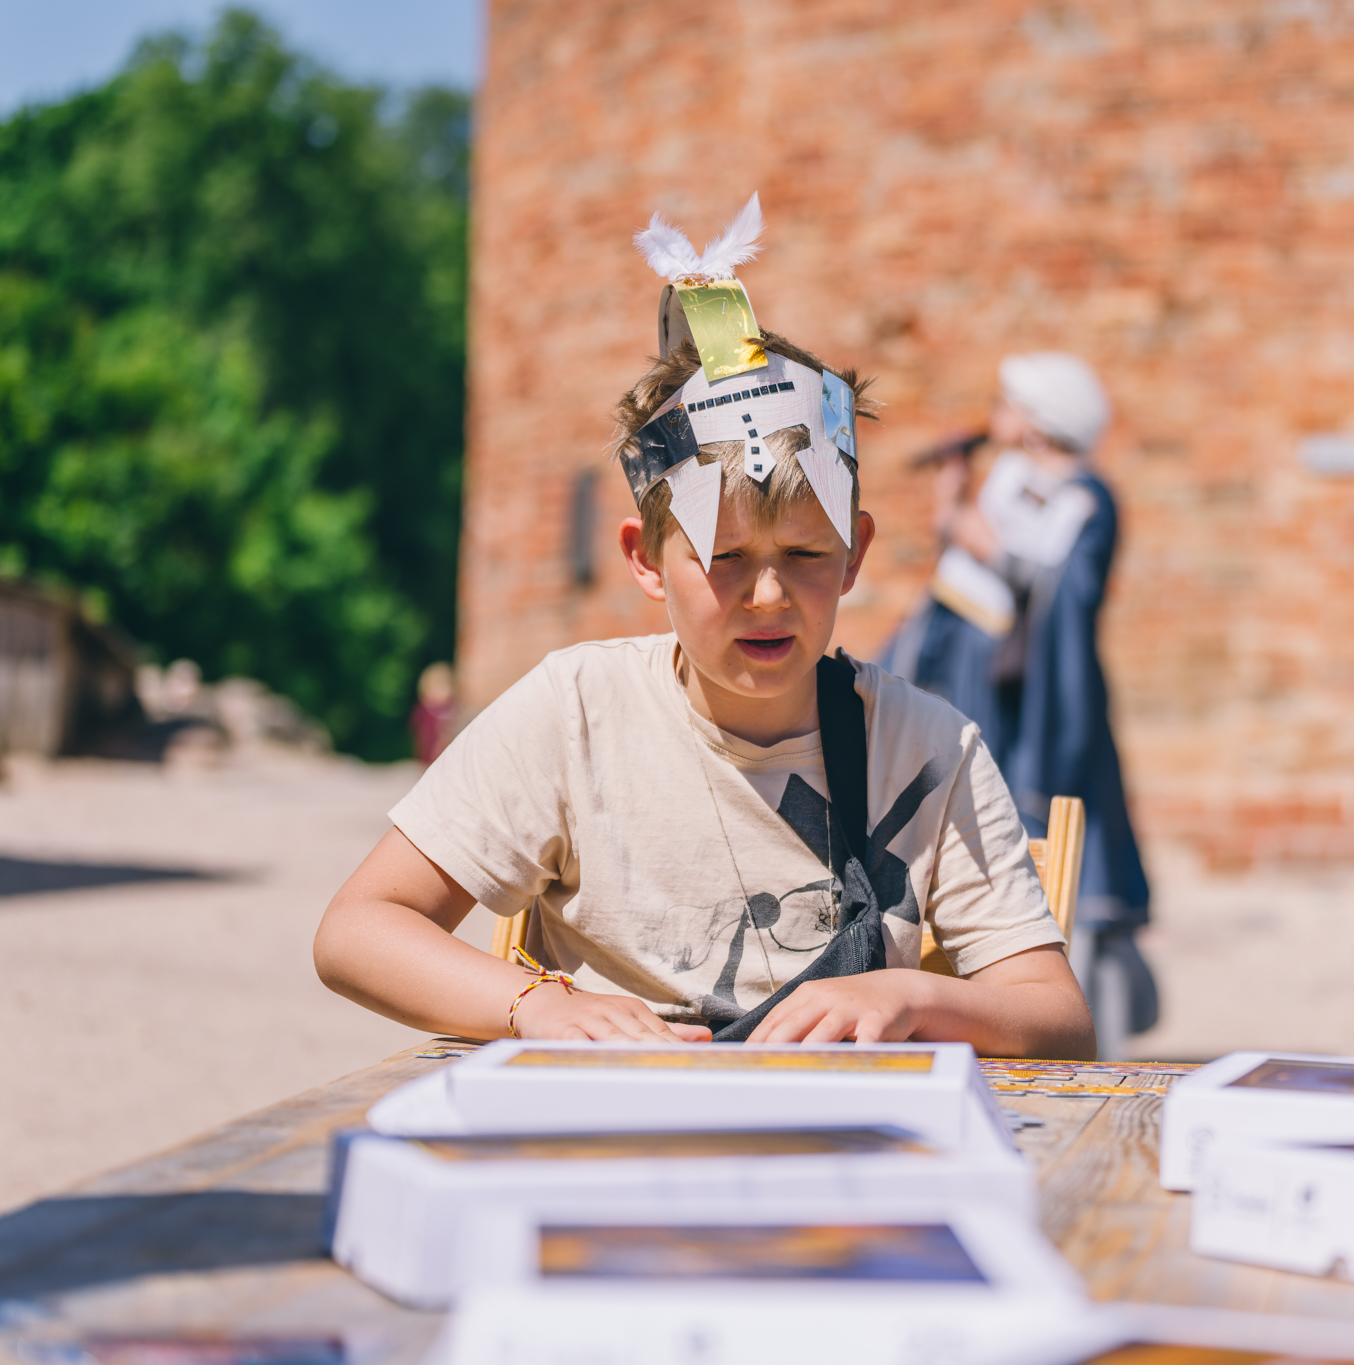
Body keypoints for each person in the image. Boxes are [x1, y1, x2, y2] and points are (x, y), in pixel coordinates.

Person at [313, 199, 1092, 1056]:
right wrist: (535, 1003)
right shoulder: (576, 711)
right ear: (645, 560)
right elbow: (358, 930)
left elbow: (1058, 1020)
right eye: (725, 558)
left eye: (805, 553)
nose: (769, 594)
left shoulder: (928, 747)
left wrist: (912, 994)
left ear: (855, 553)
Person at [900, 353, 1157, 1059]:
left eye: (1008, 401)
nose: (996, 413)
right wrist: (953, 508)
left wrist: (976, 534)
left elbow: (1056, 591)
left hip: (1031, 704)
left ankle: (1072, 1007)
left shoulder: (1087, 497)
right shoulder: (1011, 476)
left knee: (1055, 845)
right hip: (968, 682)